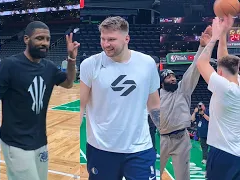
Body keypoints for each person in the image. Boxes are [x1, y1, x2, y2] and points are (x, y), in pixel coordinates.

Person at [80, 16, 160, 180]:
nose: (105, 44)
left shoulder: (147, 63)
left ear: (126, 39)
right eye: (103, 38)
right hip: (101, 148)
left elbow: (154, 104)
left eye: (111, 39)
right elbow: (81, 105)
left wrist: (165, 133)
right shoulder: (89, 64)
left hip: (139, 148)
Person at [0, 21, 79, 180]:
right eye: (39, 38)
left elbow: (69, 83)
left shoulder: (49, 67)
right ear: (26, 39)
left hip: (40, 141)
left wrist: (71, 59)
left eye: (48, 39)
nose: (44, 43)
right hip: (16, 143)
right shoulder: (10, 65)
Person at [159, 26, 212, 180]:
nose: (173, 78)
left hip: (181, 138)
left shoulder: (183, 89)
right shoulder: (156, 94)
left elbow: (195, 68)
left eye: (174, 76)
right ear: (162, 82)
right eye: (169, 77)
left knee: (183, 177)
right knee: (150, 174)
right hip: (162, 138)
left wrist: (202, 47)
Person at [196, 15, 240, 180]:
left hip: (223, 153)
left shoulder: (226, 89)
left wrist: (214, 37)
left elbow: (201, 63)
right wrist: (223, 34)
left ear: (219, 73)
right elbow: (223, 60)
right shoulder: (236, 83)